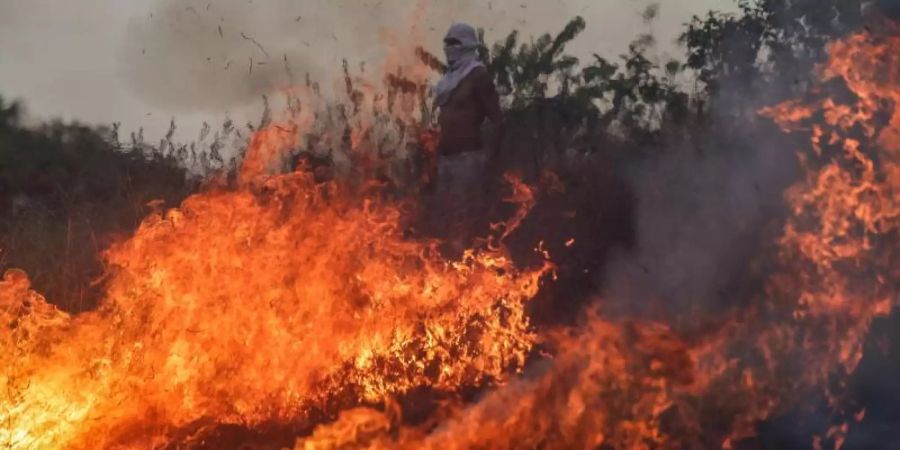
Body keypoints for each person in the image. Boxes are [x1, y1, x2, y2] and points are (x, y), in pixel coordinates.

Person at [428, 22, 505, 255]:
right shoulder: (448, 81)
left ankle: (469, 267)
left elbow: (499, 121)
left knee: (466, 218)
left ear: (468, 45)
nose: (450, 48)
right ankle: (446, 269)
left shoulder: (477, 75)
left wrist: (490, 159)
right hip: (447, 159)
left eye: (455, 43)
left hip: (469, 159)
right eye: (447, 43)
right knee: (446, 217)